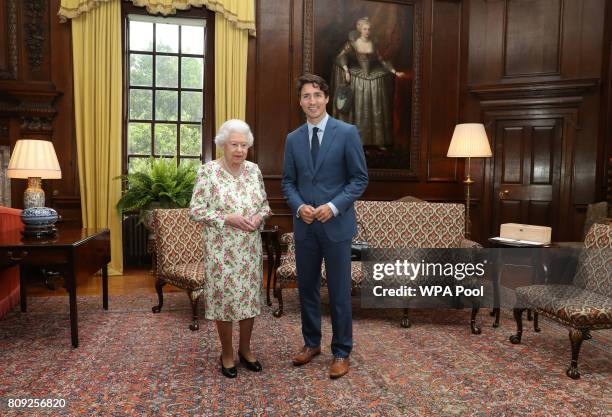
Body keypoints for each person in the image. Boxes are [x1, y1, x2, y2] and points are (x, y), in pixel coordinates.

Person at [281, 74, 368, 379]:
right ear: (299, 101)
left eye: (317, 94)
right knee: (306, 289)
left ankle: (342, 352)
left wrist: (333, 207)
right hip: (305, 228)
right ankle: (311, 343)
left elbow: (359, 179)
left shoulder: (346, 133)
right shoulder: (292, 139)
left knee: (340, 292)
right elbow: (288, 182)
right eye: (306, 96)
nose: (312, 101)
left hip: (337, 226)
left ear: (327, 98)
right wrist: (298, 206)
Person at [190, 119, 271, 378]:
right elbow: (196, 210)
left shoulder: (254, 170)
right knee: (224, 302)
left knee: (248, 300)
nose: (239, 150)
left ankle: (245, 350)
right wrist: (227, 218)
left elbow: (265, 205)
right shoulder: (208, 172)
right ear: (222, 145)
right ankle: (226, 353)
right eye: (234, 144)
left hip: (249, 250)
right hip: (221, 251)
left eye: (244, 145)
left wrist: (259, 217)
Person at [331, 17, 405, 148]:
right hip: (358, 78)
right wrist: (346, 70)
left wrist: (394, 71)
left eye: (369, 29)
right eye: (365, 29)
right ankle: (353, 141)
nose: (367, 31)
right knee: (358, 108)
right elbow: (341, 56)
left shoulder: (374, 43)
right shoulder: (353, 42)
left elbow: (382, 60)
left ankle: (377, 140)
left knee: (375, 107)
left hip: (371, 77)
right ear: (359, 29)